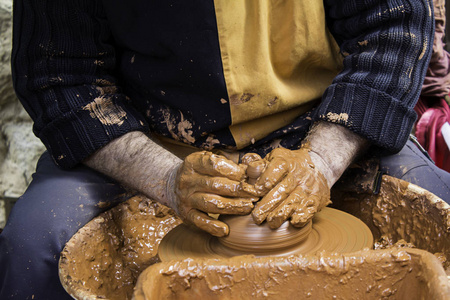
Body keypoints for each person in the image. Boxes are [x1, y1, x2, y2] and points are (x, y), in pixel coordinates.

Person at [1, 0, 448, 299]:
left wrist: (320, 161)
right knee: (34, 248)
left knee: (437, 212)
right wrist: (166, 178)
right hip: (147, 139)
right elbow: (60, 76)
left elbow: (395, 33)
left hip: (325, 127)